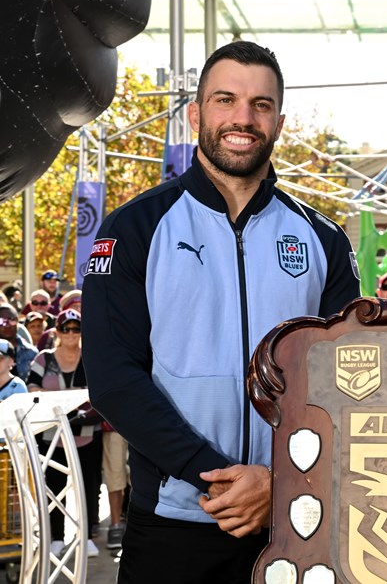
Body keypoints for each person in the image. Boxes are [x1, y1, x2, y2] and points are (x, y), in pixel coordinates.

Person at [82, 41, 360, 584]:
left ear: (279, 122)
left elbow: (351, 384)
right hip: (172, 525)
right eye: (225, 99)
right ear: (195, 113)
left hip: (299, 516)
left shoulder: (322, 238)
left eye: (260, 105)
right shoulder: (133, 228)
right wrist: (217, 480)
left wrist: (280, 480)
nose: (243, 118)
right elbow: (113, 379)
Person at [27, 309, 102, 558]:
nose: (71, 333)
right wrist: (74, 396)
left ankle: (87, 536)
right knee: (53, 487)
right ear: (57, 331)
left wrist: (62, 399)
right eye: (66, 328)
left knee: (88, 487)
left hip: (88, 434)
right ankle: (57, 537)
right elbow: (31, 388)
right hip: (52, 436)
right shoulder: (44, 359)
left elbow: (100, 390)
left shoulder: (92, 357)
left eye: (76, 328)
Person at [0, 304, 37, 381]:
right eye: (2, 321)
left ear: (18, 322)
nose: (7, 325)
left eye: (12, 320)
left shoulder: (32, 352)